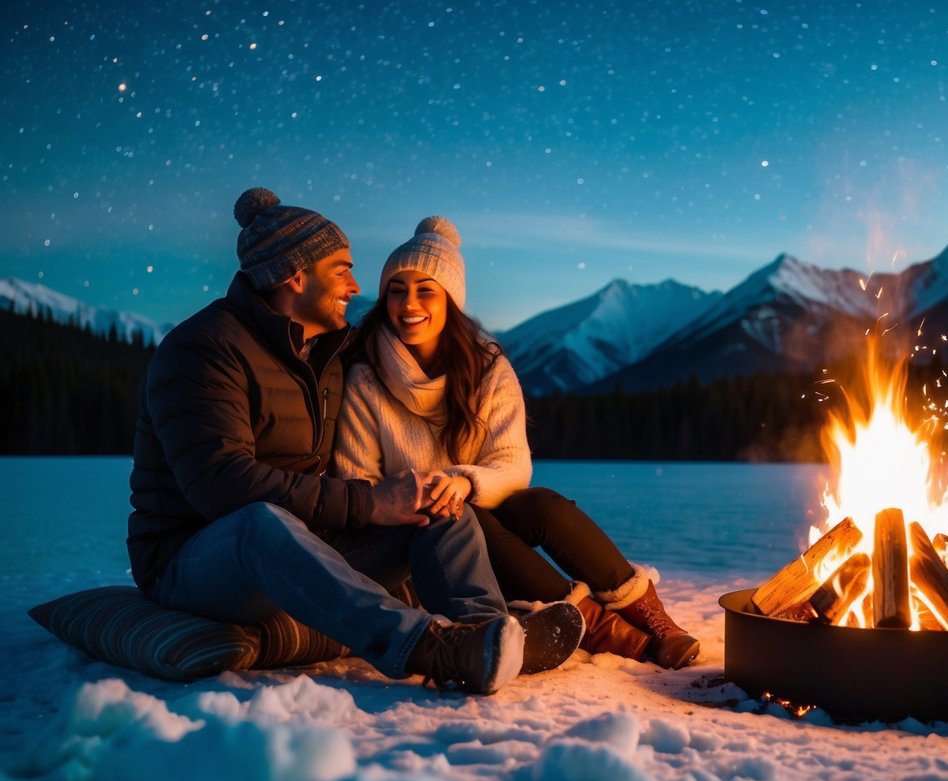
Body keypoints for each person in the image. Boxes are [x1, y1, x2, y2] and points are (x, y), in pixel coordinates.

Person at [127, 188, 580, 695]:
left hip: (305, 544)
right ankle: (431, 648)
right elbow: (220, 485)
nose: (356, 284)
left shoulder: (327, 353)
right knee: (258, 521)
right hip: (196, 560)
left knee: (437, 506)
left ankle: (485, 636)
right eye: (341, 269)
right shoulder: (203, 350)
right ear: (296, 276)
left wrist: (421, 492)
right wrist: (370, 503)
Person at [332, 216, 700, 669]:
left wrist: (464, 481)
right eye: (397, 288)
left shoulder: (486, 366)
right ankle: (611, 634)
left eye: (425, 289)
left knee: (543, 505)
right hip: (417, 535)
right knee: (459, 514)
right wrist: (421, 495)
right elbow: (357, 480)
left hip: (478, 502)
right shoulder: (367, 378)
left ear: (449, 299)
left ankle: (653, 620)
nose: (409, 303)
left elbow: (511, 462)